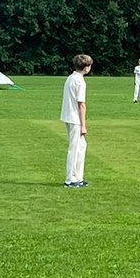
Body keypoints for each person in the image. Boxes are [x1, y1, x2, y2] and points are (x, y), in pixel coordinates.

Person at [60, 54, 92, 188]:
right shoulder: (79, 81)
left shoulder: (71, 78)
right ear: (86, 68)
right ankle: (70, 178)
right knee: (74, 148)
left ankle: (78, 176)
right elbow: (81, 105)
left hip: (69, 116)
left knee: (82, 145)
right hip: (74, 118)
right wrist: (83, 125)